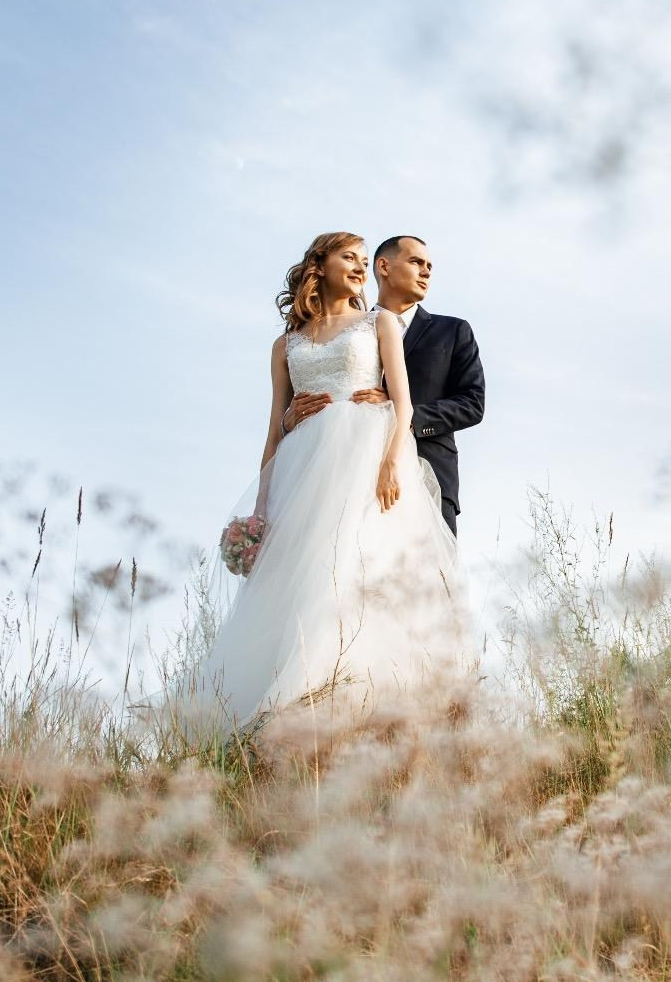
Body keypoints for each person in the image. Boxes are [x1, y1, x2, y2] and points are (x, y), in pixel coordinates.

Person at [189, 232, 465, 722]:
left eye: (364, 259)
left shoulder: (378, 323)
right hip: (304, 462)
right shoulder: (284, 345)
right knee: (302, 576)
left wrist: (388, 463)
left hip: (364, 454)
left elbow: (400, 403)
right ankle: (289, 703)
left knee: (355, 569)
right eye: (349, 258)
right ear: (320, 266)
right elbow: (273, 432)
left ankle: (367, 700)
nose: (359, 267)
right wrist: (262, 507)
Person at [282, 234, 484, 536]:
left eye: (429, 265)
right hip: (342, 469)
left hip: (428, 472)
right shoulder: (349, 328)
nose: (427, 271)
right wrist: (289, 420)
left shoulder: (452, 331)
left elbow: (473, 403)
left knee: (425, 580)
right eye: (417, 262)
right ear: (383, 266)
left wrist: (399, 412)